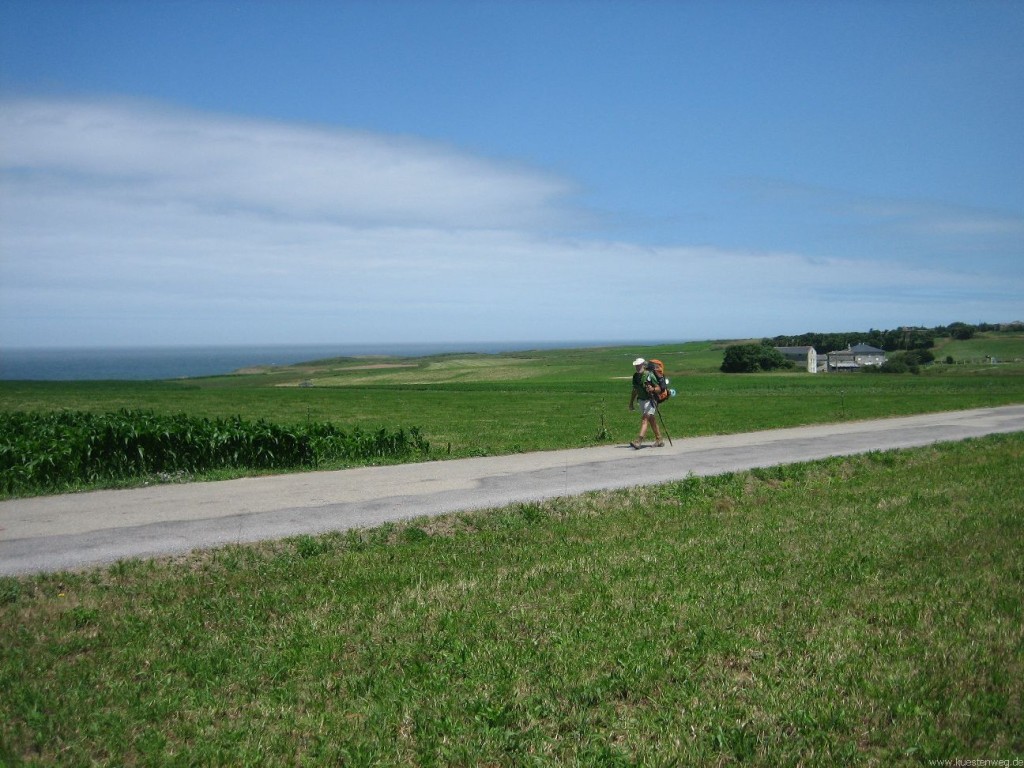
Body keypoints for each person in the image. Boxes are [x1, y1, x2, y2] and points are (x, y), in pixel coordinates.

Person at [628, 357, 664, 448]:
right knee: (651, 420)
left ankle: (638, 441)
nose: (637, 367)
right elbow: (635, 390)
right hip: (641, 400)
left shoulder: (650, 375)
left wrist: (652, 389)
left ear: (643, 365)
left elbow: (659, 389)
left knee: (645, 419)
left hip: (651, 400)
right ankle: (659, 439)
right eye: (636, 365)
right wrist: (631, 402)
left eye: (639, 365)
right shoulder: (635, 376)